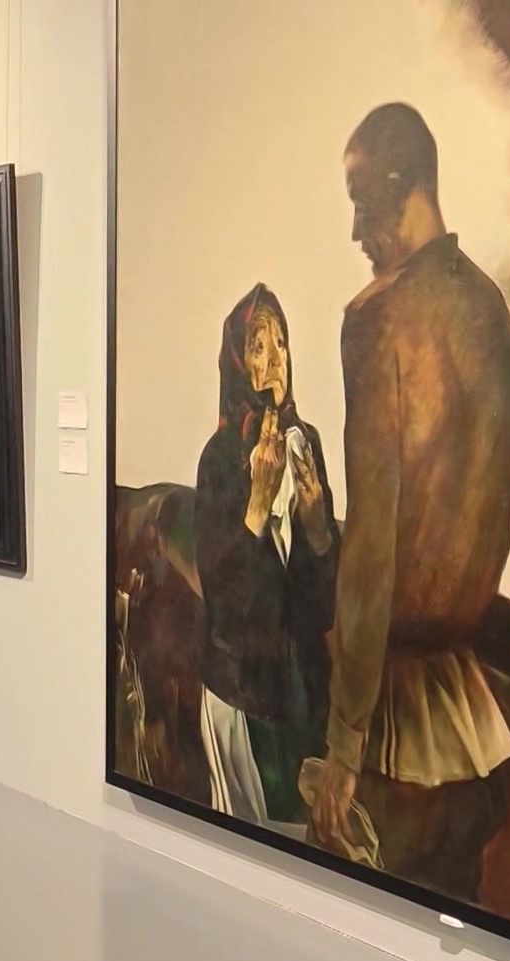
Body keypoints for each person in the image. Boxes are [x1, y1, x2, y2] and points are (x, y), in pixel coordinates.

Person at [307, 103, 510, 897]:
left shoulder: (377, 320)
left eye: (360, 201)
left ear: (402, 186)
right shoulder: (489, 309)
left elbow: (374, 540)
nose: (355, 232)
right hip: (473, 722)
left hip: (395, 731)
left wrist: (344, 741)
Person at [193, 284, 338, 827]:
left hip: (299, 689)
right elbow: (224, 607)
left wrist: (318, 529)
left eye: (280, 342)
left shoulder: (307, 443)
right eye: (258, 346)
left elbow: (321, 607)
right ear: (238, 362)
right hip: (240, 691)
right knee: (243, 835)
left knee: (298, 842)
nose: (275, 358)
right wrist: (256, 506)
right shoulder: (220, 458)